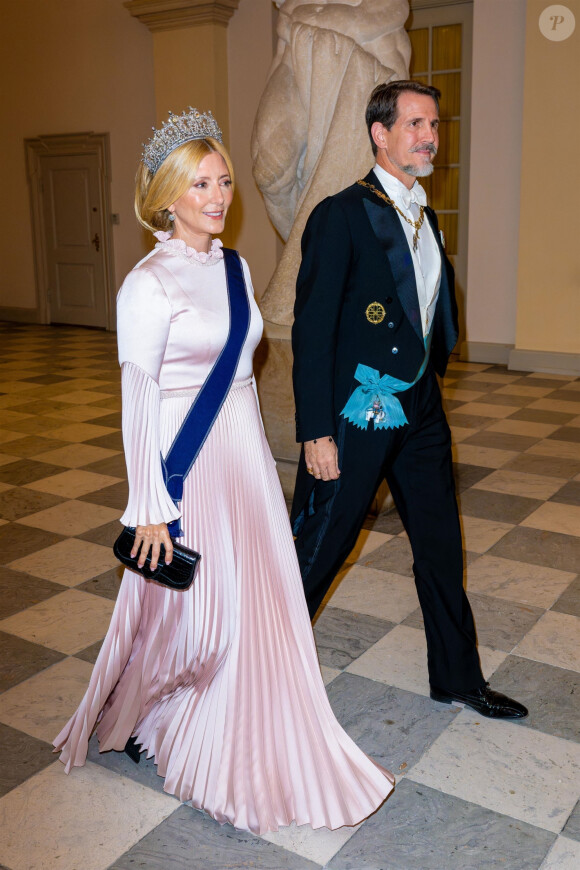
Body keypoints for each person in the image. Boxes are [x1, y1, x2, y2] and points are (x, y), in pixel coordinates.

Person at [53, 108, 395, 834]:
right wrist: (149, 503)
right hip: (188, 458)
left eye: (224, 180)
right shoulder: (147, 285)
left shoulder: (236, 268)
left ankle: (231, 707)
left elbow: (242, 366)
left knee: (252, 592)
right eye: (199, 184)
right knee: (193, 606)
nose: (217, 196)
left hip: (242, 449)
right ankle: (165, 707)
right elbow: (139, 400)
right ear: (166, 197)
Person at [291, 81, 528, 721]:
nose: (430, 136)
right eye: (416, 123)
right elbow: (312, 332)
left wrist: (432, 381)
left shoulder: (422, 211)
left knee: (441, 547)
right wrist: (316, 431)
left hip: (420, 409)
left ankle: (457, 677)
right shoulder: (340, 214)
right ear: (381, 133)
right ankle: (251, 675)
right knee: (319, 549)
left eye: (434, 124)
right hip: (356, 414)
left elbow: (426, 310)